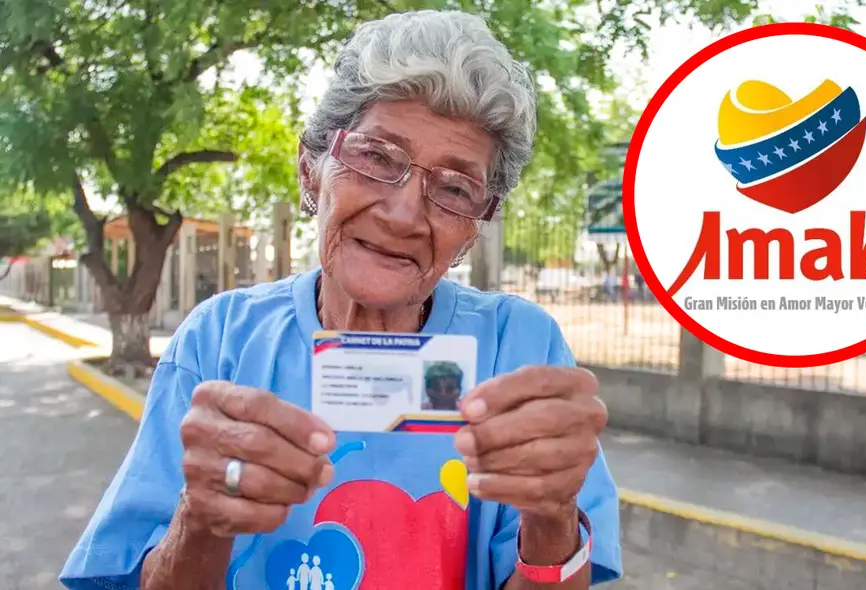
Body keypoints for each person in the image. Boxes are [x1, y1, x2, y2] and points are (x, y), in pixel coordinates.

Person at [60, 9, 621, 590]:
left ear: (476, 224)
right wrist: (201, 518)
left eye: (454, 188)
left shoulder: (519, 348)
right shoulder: (221, 340)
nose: (403, 214)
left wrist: (553, 512)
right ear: (311, 169)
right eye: (377, 157)